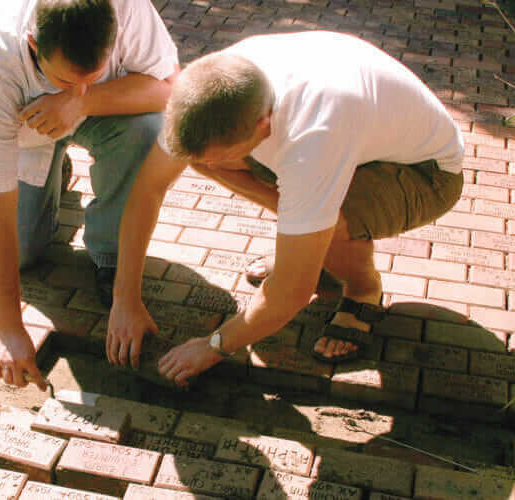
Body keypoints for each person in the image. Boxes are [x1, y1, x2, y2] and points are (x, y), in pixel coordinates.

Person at [106, 31, 465, 386]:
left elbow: (292, 291)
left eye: (225, 152)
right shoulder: (207, 92)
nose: (215, 164)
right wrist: (125, 300)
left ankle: (362, 289)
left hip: (427, 174)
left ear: (262, 126)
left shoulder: (313, 137)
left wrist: (213, 346)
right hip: (351, 140)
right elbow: (147, 189)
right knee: (205, 162)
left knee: (329, 220)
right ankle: (309, 243)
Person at [0, 0, 179, 390]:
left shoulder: (126, 8)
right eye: (65, 80)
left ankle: (108, 255)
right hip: (26, 131)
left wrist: (82, 100)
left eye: (92, 74)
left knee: (150, 130)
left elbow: (171, 88)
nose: (78, 87)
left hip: (108, 111)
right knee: (22, 249)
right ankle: (50, 175)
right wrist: (8, 329)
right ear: (32, 44)